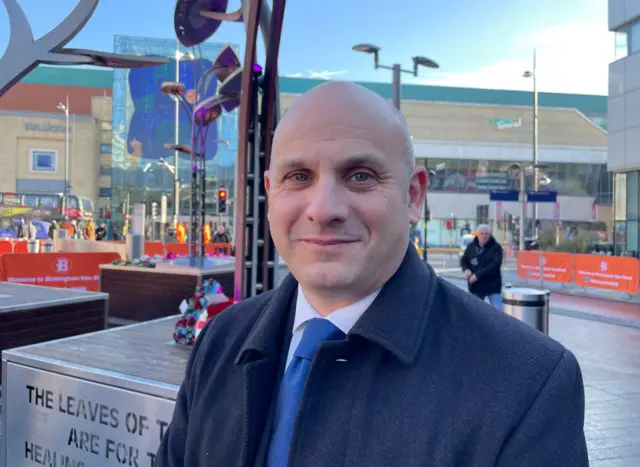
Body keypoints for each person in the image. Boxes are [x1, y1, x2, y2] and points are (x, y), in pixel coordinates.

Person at [155, 82, 587, 466]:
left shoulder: (526, 384)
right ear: (270, 194)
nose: (324, 210)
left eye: (360, 176)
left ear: (413, 195)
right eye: (299, 176)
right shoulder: (220, 341)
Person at [460, 224, 504, 310]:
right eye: (482, 233)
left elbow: (495, 265)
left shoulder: (496, 248)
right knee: (476, 312)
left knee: (498, 312)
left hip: (493, 286)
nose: (484, 236)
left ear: (489, 234)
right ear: (477, 234)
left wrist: (477, 276)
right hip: (477, 287)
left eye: (486, 234)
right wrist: (466, 269)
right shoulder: (471, 246)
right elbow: (464, 260)